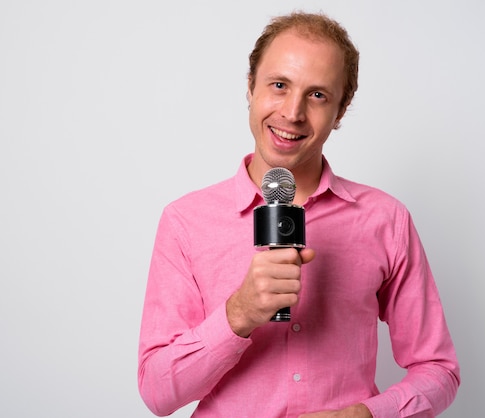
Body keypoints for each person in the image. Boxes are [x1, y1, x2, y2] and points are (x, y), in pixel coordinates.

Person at [138, 11, 460, 418]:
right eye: (279, 85)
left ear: (340, 112)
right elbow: (156, 393)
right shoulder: (185, 222)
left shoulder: (387, 220)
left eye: (318, 95)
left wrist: (366, 415)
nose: (292, 112)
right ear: (251, 87)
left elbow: (439, 369)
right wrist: (240, 312)